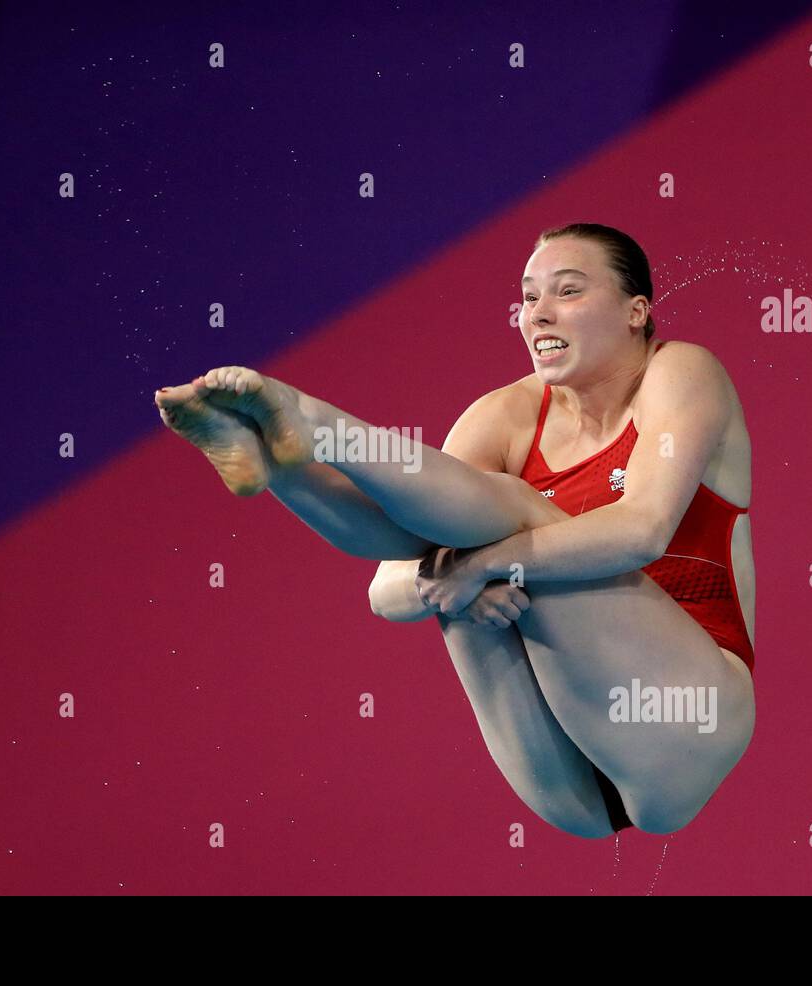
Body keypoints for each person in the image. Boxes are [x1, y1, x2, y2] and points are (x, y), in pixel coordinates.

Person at [155, 223, 755, 839]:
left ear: (637, 311)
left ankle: (313, 421)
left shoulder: (680, 371)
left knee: (502, 521)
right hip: (563, 781)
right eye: (528, 299)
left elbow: (643, 530)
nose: (538, 314)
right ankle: (277, 462)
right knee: (450, 547)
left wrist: (485, 565)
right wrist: (465, 575)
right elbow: (384, 592)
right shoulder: (506, 414)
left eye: (567, 291)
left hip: (688, 719)